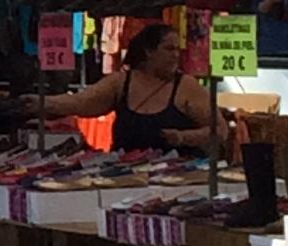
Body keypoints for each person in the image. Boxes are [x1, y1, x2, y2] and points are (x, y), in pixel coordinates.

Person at [26, 22, 218, 153]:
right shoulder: (121, 83)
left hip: (180, 179)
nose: (176, 55)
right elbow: (81, 102)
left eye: (178, 49)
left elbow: (220, 131)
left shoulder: (187, 86)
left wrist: (183, 137)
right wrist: (39, 102)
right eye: (169, 49)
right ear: (148, 52)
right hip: (125, 177)